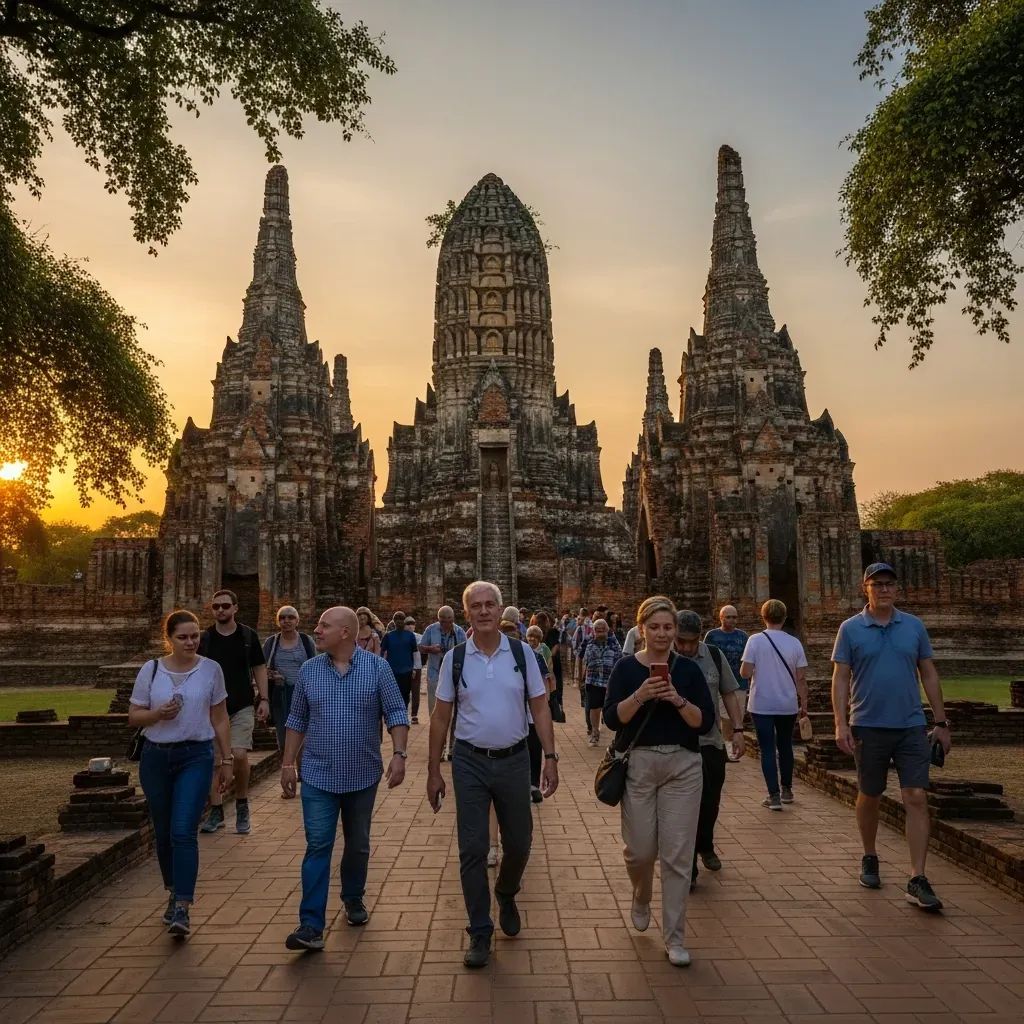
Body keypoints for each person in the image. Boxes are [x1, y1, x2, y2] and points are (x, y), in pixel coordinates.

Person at [426, 581, 559, 969]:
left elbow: (540, 706)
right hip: (469, 760)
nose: (483, 611)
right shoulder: (455, 659)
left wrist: (550, 757)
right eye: (476, 606)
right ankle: (479, 930)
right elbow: (439, 719)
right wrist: (434, 770)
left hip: (515, 759)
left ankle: (506, 890)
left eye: (490, 605)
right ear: (466, 613)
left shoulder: (521, 654)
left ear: (500, 610)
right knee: (472, 848)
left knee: (519, 842)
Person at [281, 606, 409, 951]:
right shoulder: (309, 670)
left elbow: (397, 712)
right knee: (318, 845)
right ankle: (310, 924)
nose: (316, 630)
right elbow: (296, 720)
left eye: (324, 625)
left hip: (361, 774)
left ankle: (353, 896)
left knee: (358, 844)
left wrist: (399, 755)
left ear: (346, 633)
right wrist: (287, 763)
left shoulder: (377, 668)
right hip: (318, 774)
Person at [603, 596, 716, 967]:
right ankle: (640, 892)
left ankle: (675, 937)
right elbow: (612, 719)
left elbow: (704, 722)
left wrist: (678, 700)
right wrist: (641, 695)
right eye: (655, 627)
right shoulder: (625, 669)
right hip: (639, 764)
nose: (663, 634)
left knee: (678, 855)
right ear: (641, 629)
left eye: (668, 627)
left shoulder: (688, 671)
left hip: (683, 765)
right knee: (639, 850)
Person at [832, 562, 951, 910]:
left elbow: (928, 673)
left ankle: (917, 877)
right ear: (864, 588)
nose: (884, 589)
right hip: (868, 724)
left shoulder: (913, 626)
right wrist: (840, 723)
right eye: (877, 584)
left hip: (911, 725)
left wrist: (941, 722)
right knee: (870, 794)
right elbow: (840, 678)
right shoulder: (851, 629)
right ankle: (870, 854)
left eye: (889, 584)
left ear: (897, 589)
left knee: (915, 795)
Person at [129, 610, 233, 938]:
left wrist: (226, 758)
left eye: (194, 636)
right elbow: (134, 717)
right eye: (183, 637)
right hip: (156, 757)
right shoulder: (152, 669)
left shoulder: (211, 669)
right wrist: (158, 714)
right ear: (169, 639)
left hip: (196, 756)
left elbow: (219, 717)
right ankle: (173, 890)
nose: (190, 642)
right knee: (163, 832)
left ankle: (183, 906)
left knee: (183, 830)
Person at [674, 610, 745, 890]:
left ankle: (705, 843)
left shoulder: (713, 656)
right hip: (678, 745)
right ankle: (687, 866)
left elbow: (728, 692)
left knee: (710, 802)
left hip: (711, 743)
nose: (687, 648)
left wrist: (737, 730)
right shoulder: (666, 659)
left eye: (692, 642)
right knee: (683, 807)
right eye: (681, 641)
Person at [198, 589, 268, 835]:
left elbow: (259, 666)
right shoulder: (204, 639)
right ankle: (216, 810)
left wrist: (264, 698)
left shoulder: (247, 636)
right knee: (215, 761)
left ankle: (241, 803)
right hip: (213, 709)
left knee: (238, 754)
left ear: (235, 608)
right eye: (216, 606)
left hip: (242, 705)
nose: (220, 610)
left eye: (225, 606)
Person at [740, 599, 809, 811]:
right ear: (784, 617)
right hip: (787, 703)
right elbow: (801, 678)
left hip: (762, 704)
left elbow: (745, 673)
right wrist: (804, 704)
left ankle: (774, 795)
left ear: (764, 617)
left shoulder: (755, 641)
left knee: (767, 749)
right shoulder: (794, 643)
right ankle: (787, 789)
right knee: (785, 746)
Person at [262, 606, 316, 753]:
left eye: (290, 617)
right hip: (280, 694)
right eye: (282, 617)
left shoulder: (305, 641)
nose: (286, 621)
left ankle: (302, 775)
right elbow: (262, 669)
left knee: (303, 739)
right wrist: (272, 675)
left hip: (303, 694)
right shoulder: (271, 643)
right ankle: (287, 770)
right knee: (284, 738)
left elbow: (315, 668)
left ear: (297, 621)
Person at [419, 605, 467, 761]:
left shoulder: (459, 632)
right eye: (443, 621)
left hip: (455, 677)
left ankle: (452, 748)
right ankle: (439, 749)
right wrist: (430, 648)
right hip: (435, 676)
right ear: (438, 619)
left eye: (449, 621)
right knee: (436, 714)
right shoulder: (431, 630)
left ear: (453, 619)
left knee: (456, 715)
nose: (446, 624)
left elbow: (467, 652)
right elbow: (420, 647)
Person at [705, 605, 750, 759]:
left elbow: (748, 660)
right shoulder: (712, 636)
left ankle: (731, 747)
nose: (732, 620)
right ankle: (725, 747)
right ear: (721, 618)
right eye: (728, 617)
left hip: (739, 683)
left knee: (737, 716)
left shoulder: (743, 637)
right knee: (723, 716)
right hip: (717, 682)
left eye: (734, 617)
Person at [524, 624, 557, 802]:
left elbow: (547, 678)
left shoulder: (537, 657)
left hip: (533, 711)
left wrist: (546, 703)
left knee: (534, 747)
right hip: (516, 714)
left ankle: (534, 785)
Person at [582, 618, 621, 746]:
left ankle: (617, 734)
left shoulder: (613, 644)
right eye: (597, 630)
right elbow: (585, 661)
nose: (600, 633)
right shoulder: (590, 643)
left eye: (602, 630)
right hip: (593, 680)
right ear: (594, 631)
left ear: (607, 630)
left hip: (609, 681)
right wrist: (581, 679)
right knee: (593, 708)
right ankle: (595, 732)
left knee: (610, 707)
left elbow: (619, 660)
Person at [381, 614, 419, 712]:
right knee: (392, 694)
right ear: (393, 621)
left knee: (405, 694)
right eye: (396, 619)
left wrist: (414, 668)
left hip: (407, 670)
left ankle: (403, 714)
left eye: (401, 619)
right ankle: (392, 714)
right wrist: (382, 668)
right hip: (391, 671)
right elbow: (381, 653)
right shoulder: (388, 636)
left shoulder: (410, 636)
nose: (399, 621)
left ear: (404, 621)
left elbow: (415, 652)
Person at [405, 615, 423, 723]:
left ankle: (414, 715)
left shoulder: (419, 637)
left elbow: (419, 653)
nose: (410, 626)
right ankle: (404, 713)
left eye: (412, 624)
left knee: (415, 691)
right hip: (404, 667)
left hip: (417, 666)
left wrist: (416, 668)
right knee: (404, 691)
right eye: (408, 624)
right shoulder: (402, 637)